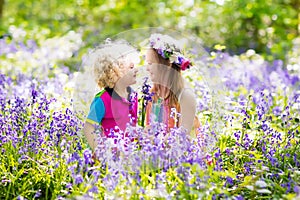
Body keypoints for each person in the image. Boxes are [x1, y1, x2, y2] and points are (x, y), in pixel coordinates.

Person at [83, 41, 139, 150]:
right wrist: (101, 152)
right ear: (116, 72)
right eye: (131, 68)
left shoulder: (133, 95)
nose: (136, 70)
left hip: (130, 155)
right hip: (111, 155)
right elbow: (88, 128)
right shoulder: (103, 100)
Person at [145, 33, 199, 135]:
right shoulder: (152, 95)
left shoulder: (184, 97)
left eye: (150, 63)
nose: (147, 68)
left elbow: (184, 139)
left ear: (168, 65)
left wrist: (158, 140)